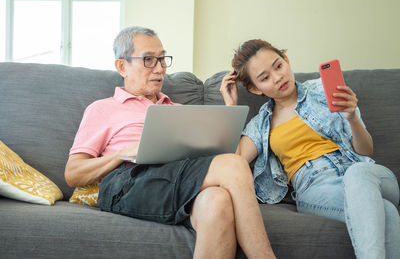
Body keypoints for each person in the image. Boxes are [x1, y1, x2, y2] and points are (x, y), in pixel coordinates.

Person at [65, 26, 276, 259]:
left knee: (218, 201)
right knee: (234, 165)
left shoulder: (178, 111)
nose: (159, 68)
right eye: (148, 60)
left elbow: (224, 157)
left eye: (162, 60)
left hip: (177, 180)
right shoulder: (103, 109)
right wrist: (121, 154)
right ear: (122, 66)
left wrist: (230, 108)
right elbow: (73, 174)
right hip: (128, 180)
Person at [220, 39, 400, 259]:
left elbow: (365, 152)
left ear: (286, 59)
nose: (278, 77)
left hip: (364, 173)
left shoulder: (324, 90)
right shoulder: (261, 124)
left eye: (278, 66)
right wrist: (231, 108)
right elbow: (233, 161)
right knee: (387, 212)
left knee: (358, 172)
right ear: (254, 89)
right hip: (316, 188)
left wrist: (352, 117)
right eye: (265, 78)